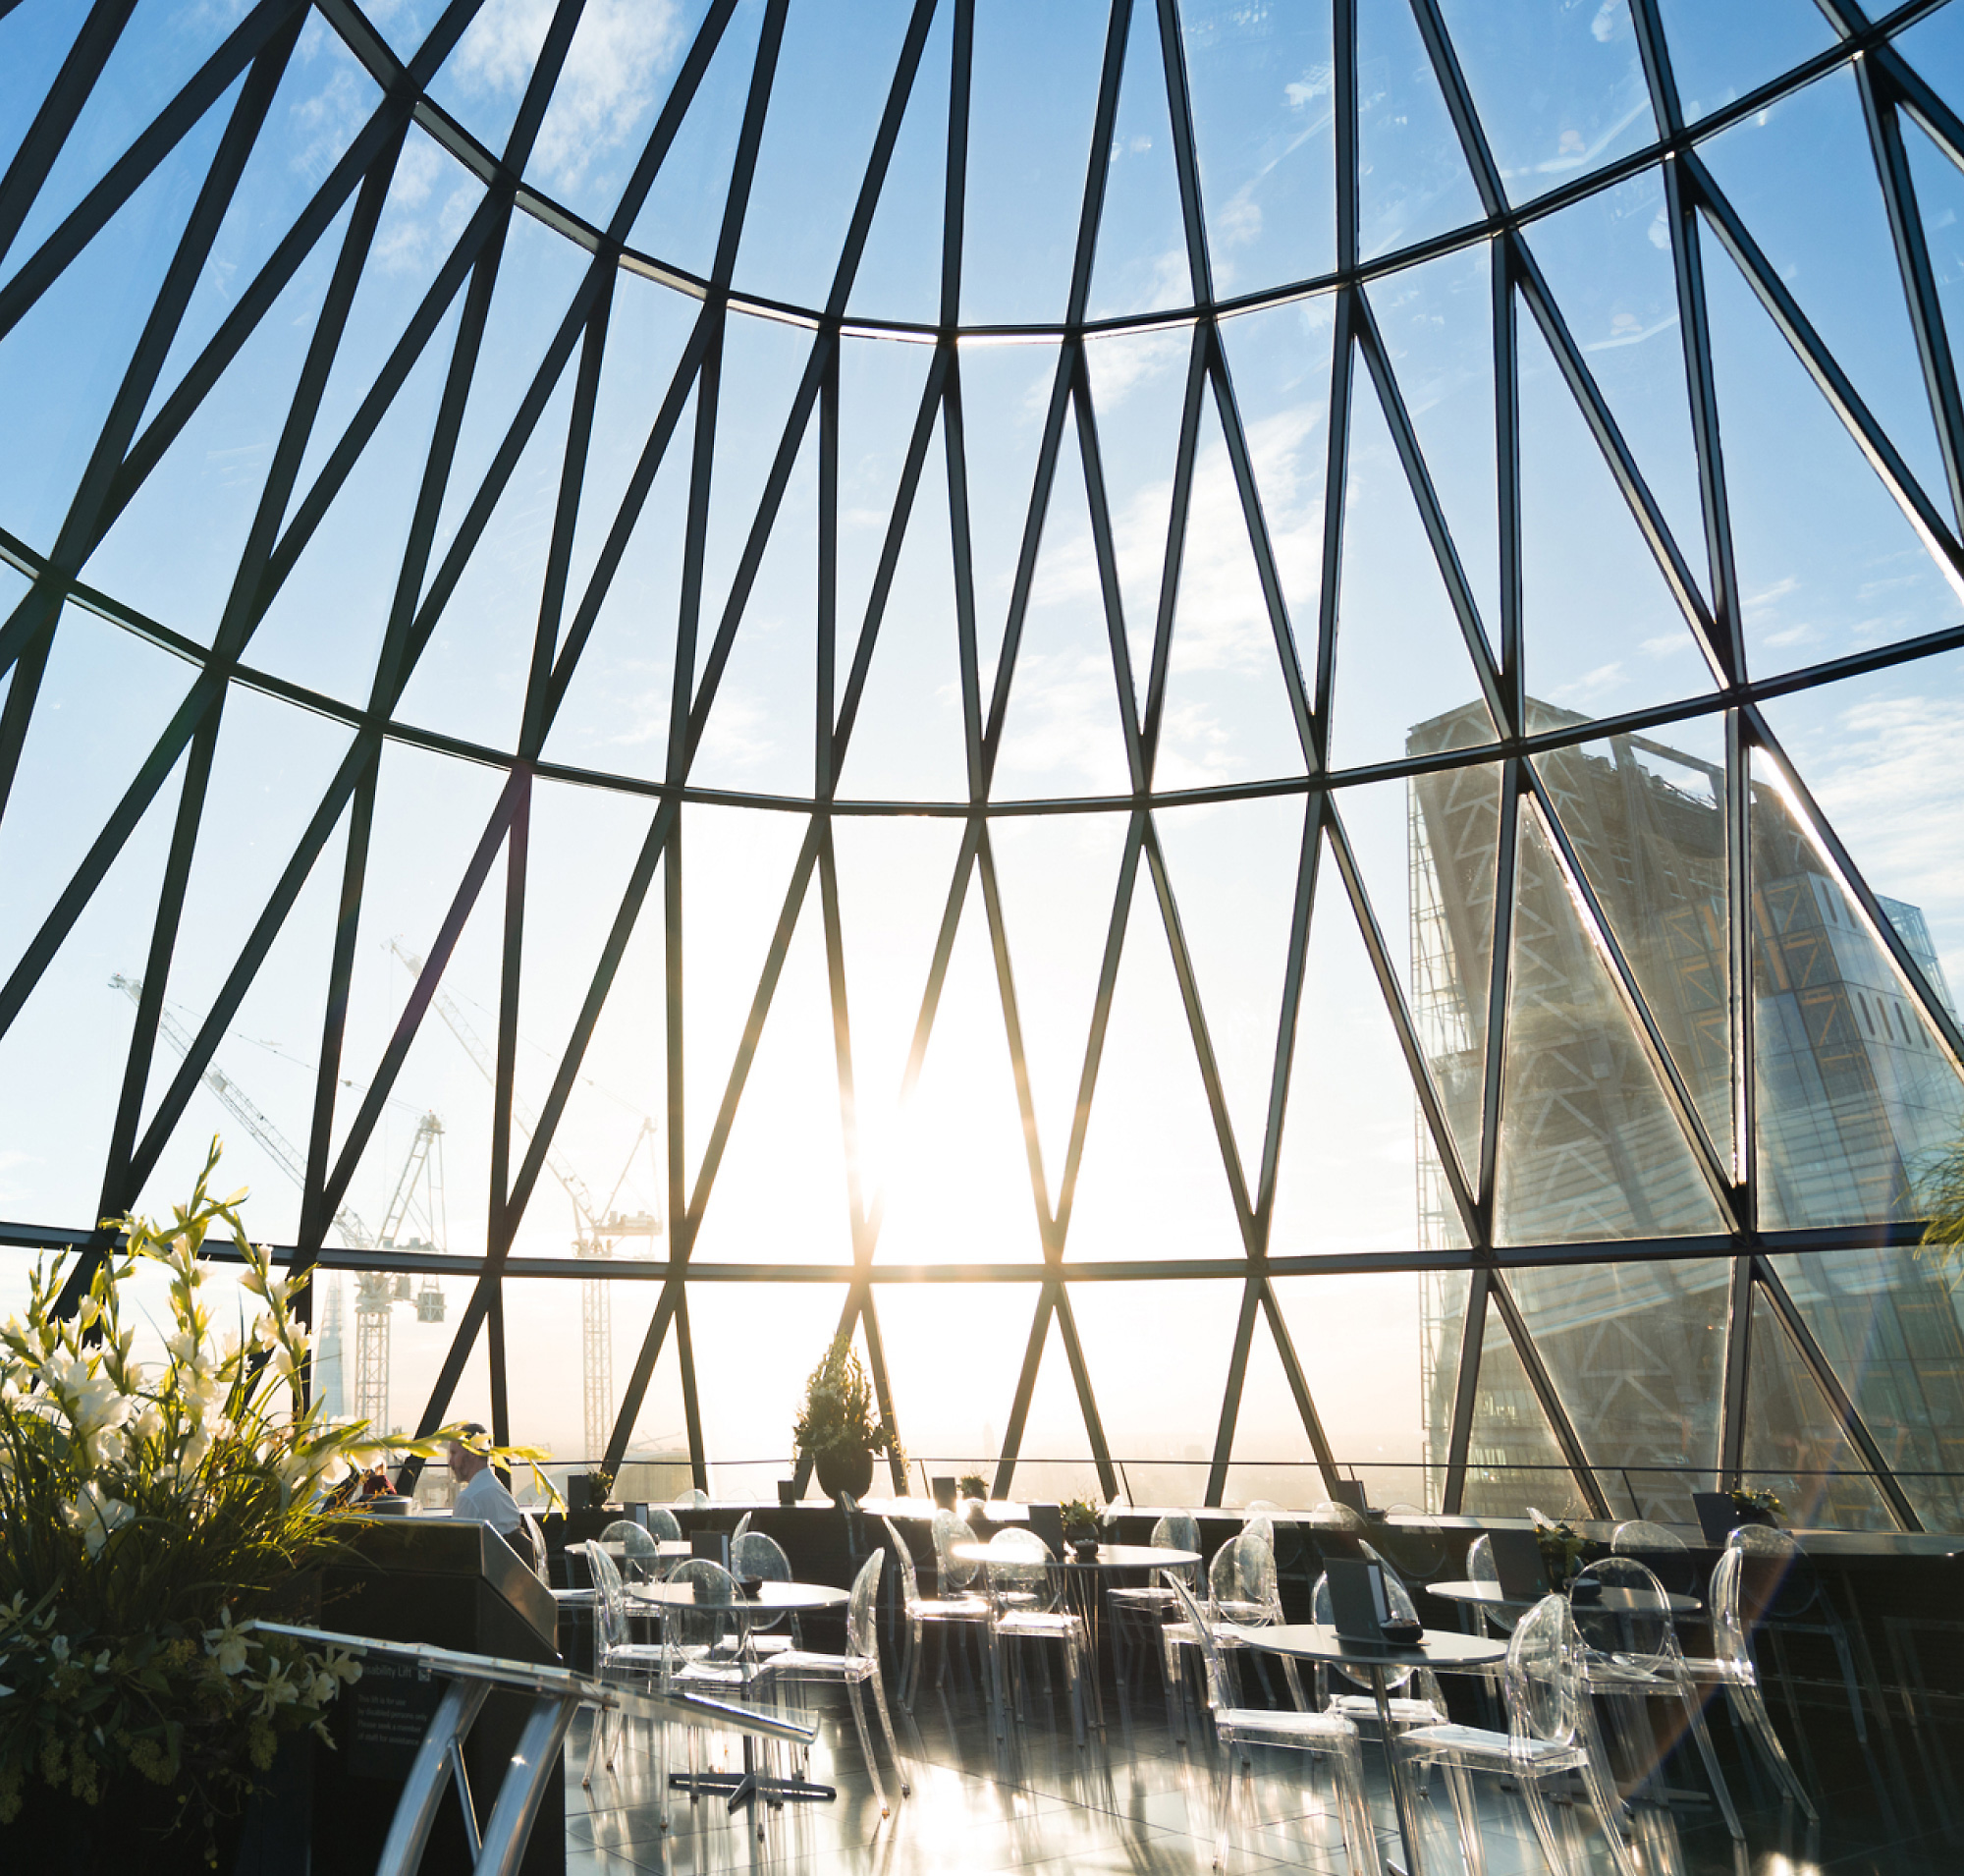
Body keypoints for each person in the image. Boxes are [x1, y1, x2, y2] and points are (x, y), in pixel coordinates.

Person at [448, 1423, 521, 1538]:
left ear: (472, 1453)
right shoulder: (502, 1494)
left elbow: (459, 1547)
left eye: (454, 1453)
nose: (450, 1462)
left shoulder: (469, 1498)